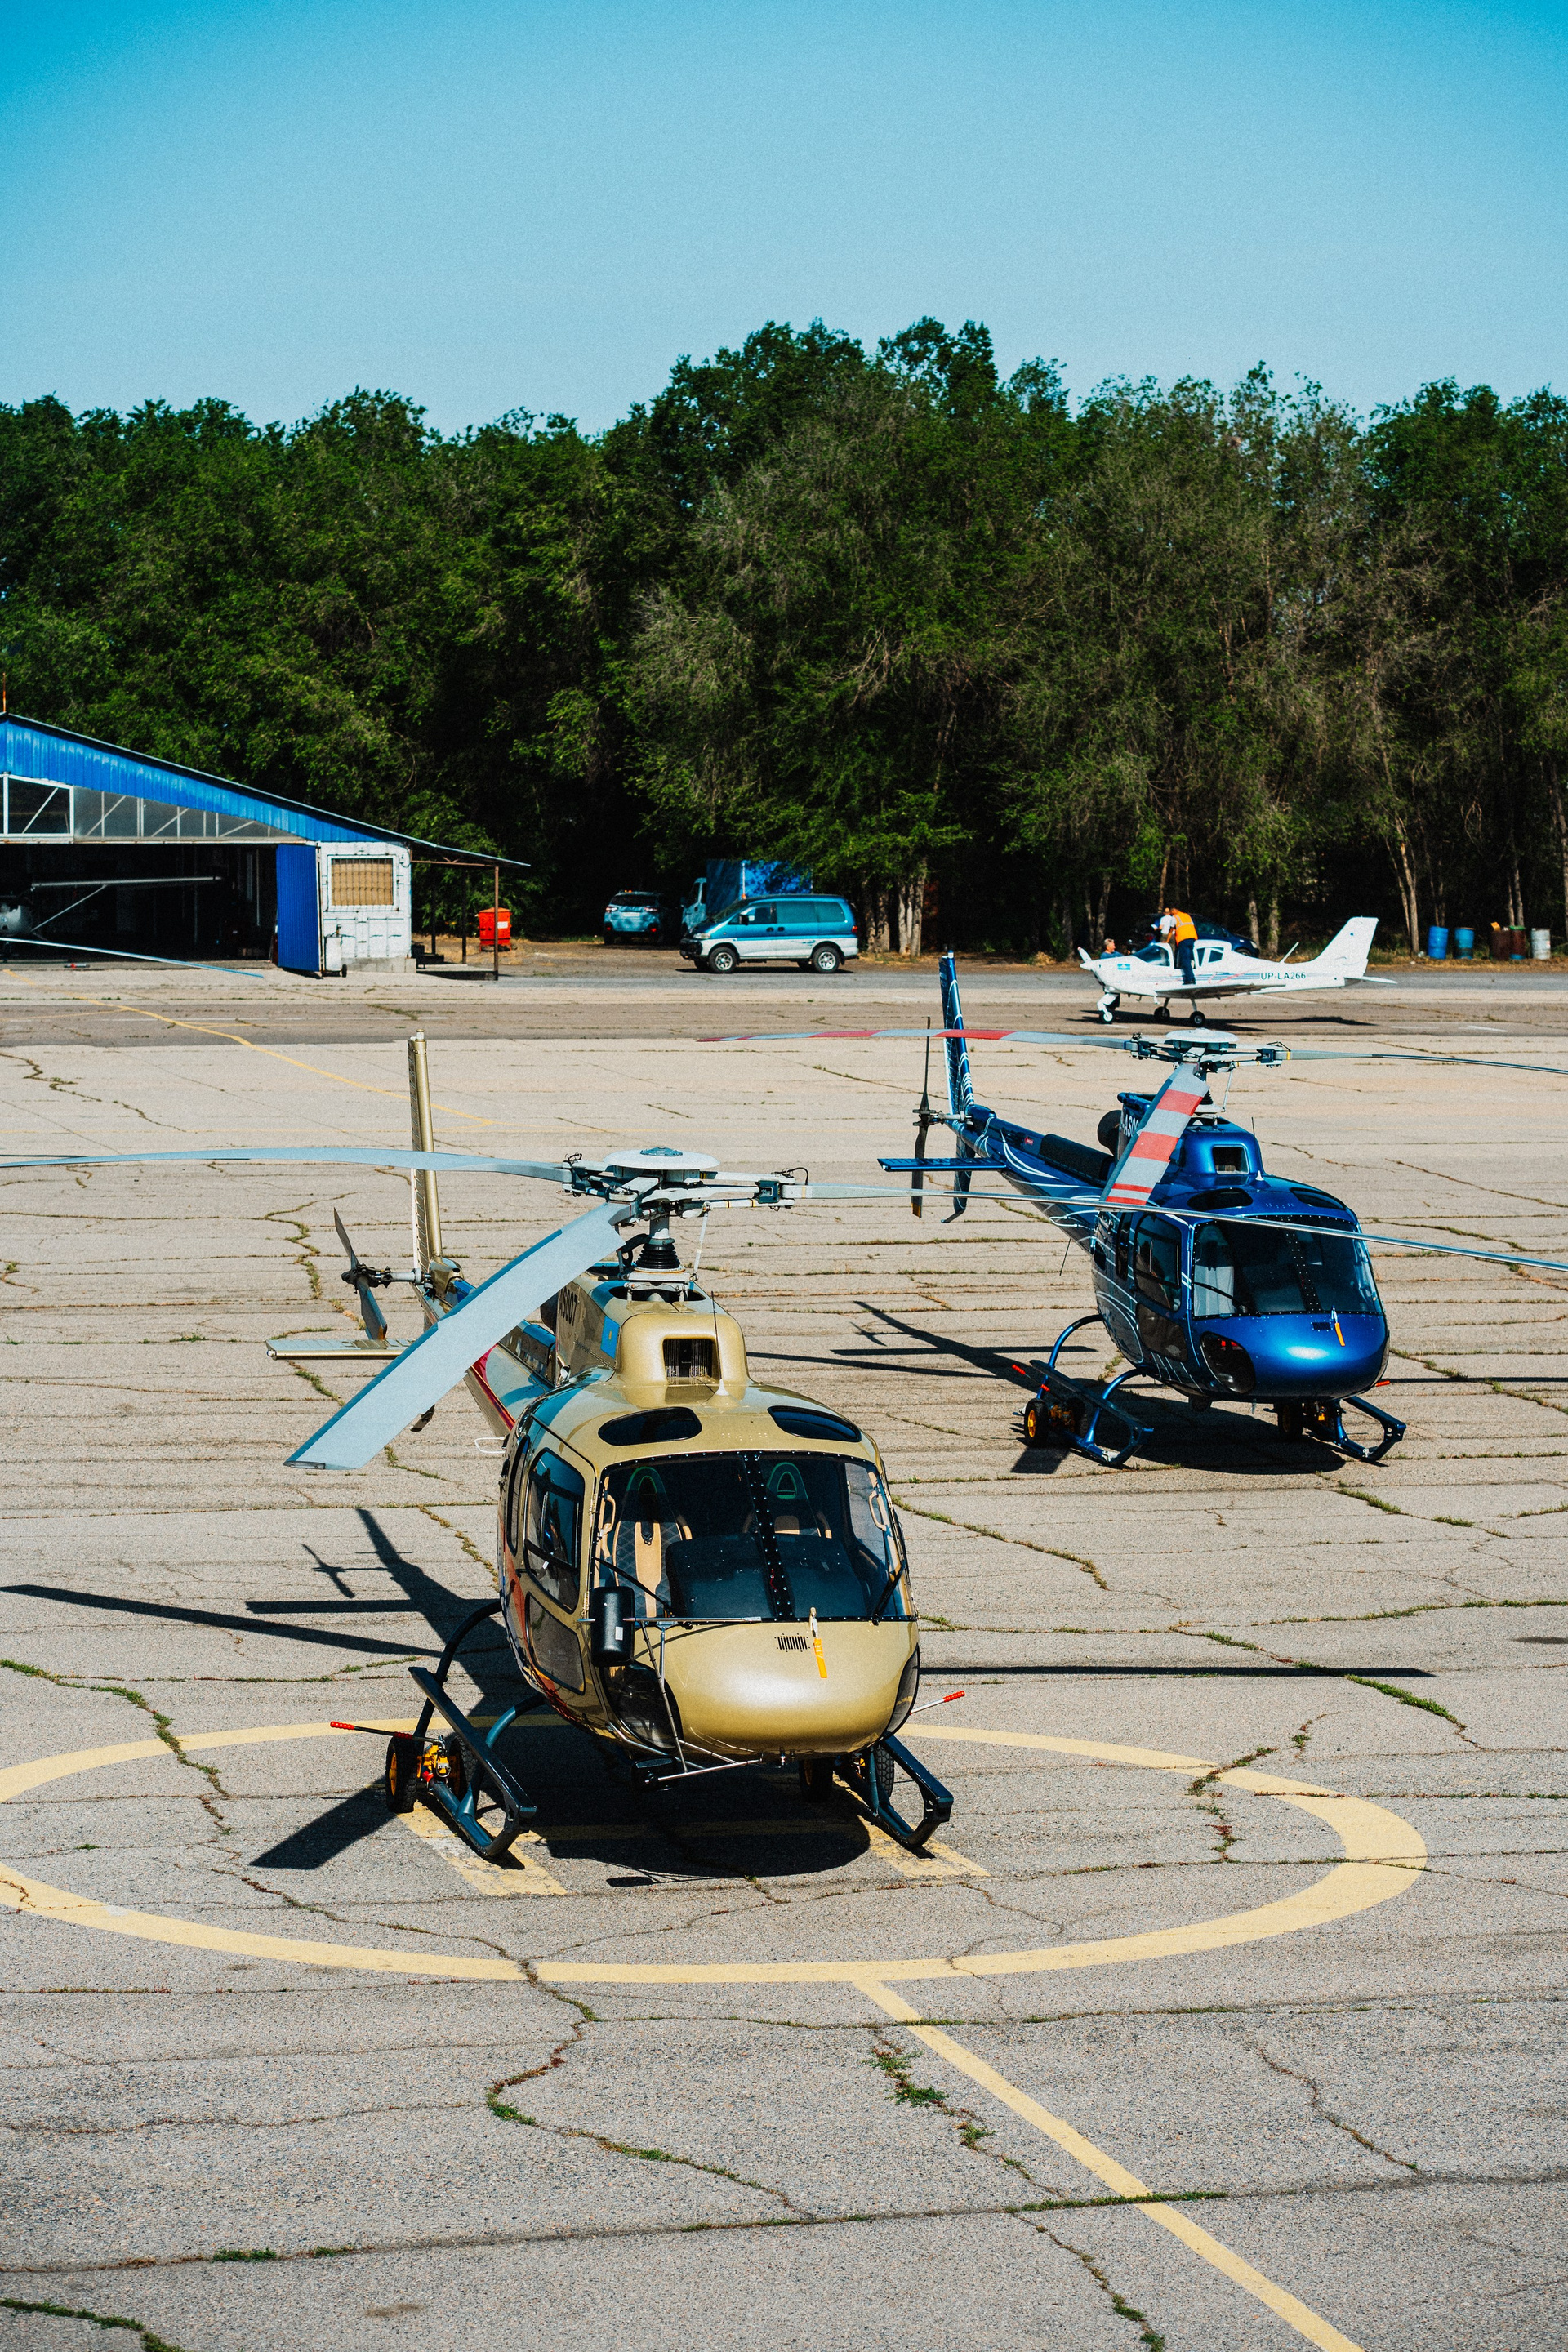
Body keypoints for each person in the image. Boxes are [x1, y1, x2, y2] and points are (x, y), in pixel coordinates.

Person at [1161, 905, 1199, 989]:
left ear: (1174, 910)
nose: (1171, 913)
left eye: (1171, 912)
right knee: (1190, 958)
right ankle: (1192, 976)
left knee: (1185, 959)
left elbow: (1171, 930)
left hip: (1183, 939)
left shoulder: (1175, 917)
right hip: (1192, 938)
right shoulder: (1187, 916)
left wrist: (1167, 940)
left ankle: (1190, 979)